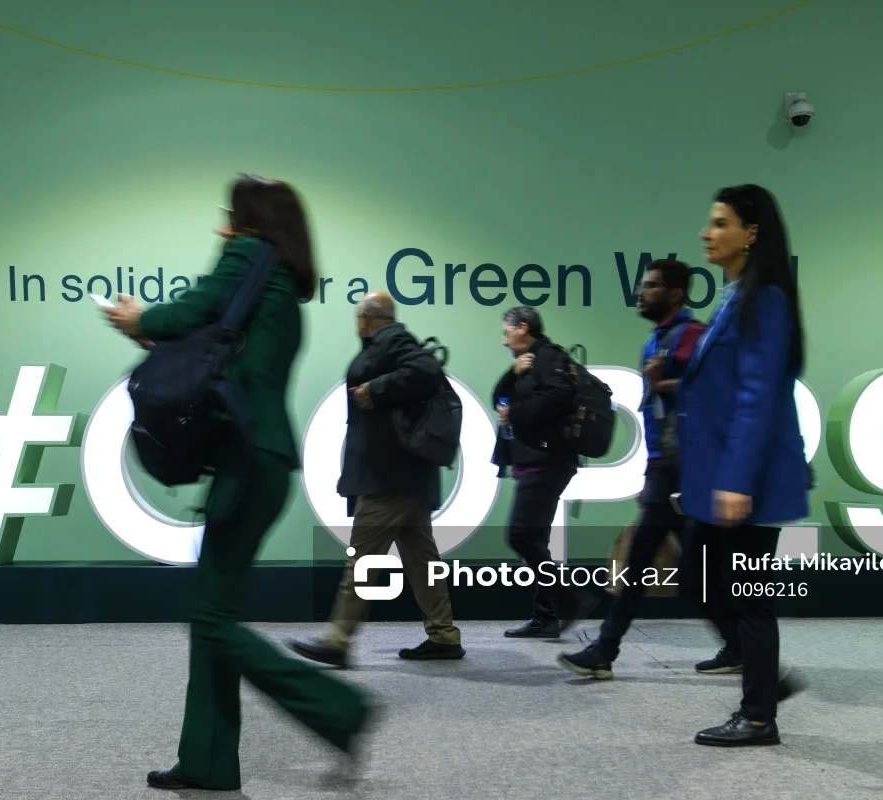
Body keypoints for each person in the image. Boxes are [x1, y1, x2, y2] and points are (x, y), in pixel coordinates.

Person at [102, 174, 379, 790]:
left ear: (248, 220)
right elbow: (215, 339)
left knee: (210, 616)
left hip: (245, 462)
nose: (219, 226)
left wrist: (138, 316)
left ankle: (339, 710)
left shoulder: (249, 255)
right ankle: (207, 762)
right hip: (264, 461)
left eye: (227, 214)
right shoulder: (281, 289)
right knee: (212, 612)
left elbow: (189, 312)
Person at [677, 184, 809, 746]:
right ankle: (765, 676)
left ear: (750, 233)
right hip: (719, 478)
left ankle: (758, 717)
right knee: (696, 581)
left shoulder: (766, 298)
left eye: (720, 223)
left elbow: (757, 397)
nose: (707, 233)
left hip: (749, 482)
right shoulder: (734, 297)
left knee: (747, 596)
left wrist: (734, 481)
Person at [288, 291, 464, 667]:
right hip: (406, 476)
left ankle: (337, 640)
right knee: (420, 559)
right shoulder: (389, 343)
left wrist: (375, 389)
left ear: (366, 319)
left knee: (363, 559)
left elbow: (427, 371)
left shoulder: (393, 340)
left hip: (389, 477)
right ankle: (444, 635)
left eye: (358, 318)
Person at [556, 259, 704, 677]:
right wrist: (651, 468)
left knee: (682, 571)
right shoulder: (656, 340)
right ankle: (605, 651)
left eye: (652, 286)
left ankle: (748, 653)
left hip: (688, 473)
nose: (641, 293)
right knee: (641, 563)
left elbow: (711, 393)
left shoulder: (692, 337)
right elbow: (659, 415)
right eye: (643, 285)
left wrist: (664, 385)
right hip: (665, 470)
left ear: (675, 294)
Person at [492, 306, 598, 638]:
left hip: (547, 461)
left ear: (523, 328)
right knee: (534, 538)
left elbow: (560, 396)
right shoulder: (527, 363)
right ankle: (545, 617)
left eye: (506, 332)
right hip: (534, 460)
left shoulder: (550, 358)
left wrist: (517, 413)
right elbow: (498, 398)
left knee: (521, 535)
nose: (503, 340)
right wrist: (513, 373)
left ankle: (571, 597)